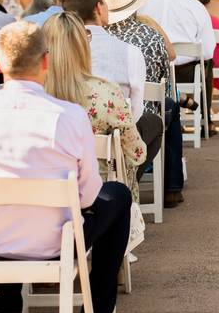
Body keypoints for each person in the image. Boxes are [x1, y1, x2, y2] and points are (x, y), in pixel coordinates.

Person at [0, 22, 131, 313]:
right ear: (46, 61)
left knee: (6, 209)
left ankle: (9, 303)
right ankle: (97, 307)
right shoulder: (70, 117)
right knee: (118, 196)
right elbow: (86, 198)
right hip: (53, 244)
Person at [60, 0, 165, 184]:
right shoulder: (130, 53)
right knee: (154, 123)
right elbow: (134, 112)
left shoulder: (59, 53)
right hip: (113, 142)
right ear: (99, 8)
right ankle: (126, 180)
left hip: (68, 146)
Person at [43, 11, 147, 198]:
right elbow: (137, 153)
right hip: (98, 199)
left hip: (43, 199)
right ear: (82, 46)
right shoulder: (106, 93)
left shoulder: (33, 96)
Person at [102, 0, 184, 207]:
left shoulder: (97, 38)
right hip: (139, 120)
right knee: (169, 108)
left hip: (101, 119)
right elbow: (164, 80)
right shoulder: (151, 36)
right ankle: (171, 186)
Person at [140, 0, 217, 136]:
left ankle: (168, 114)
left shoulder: (146, 2)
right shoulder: (194, 5)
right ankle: (206, 120)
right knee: (207, 63)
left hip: (152, 73)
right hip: (187, 73)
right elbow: (208, 50)